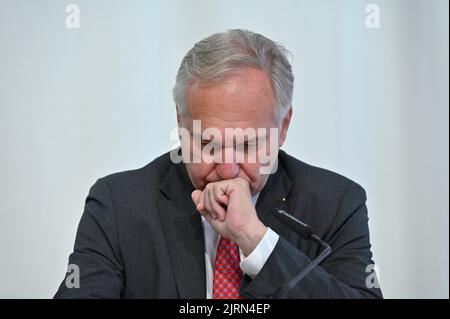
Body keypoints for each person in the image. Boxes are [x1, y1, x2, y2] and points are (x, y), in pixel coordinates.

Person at [55, 29, 382, 299]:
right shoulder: (118, 203)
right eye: (208, 144)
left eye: (248, 145)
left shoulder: (336, 202)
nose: (227, 170)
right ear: (181, 124)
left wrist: (256, 240)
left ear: (282, 127)